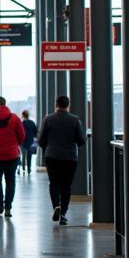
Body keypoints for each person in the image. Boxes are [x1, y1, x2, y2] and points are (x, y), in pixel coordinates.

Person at [38, 96, 87, 225]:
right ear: (68, 105)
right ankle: (63, 213)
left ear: (56, 105)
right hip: (70, 157)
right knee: (66, 185)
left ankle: (56, 206)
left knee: (54, 183)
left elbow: (41, 139)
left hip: (52, 156)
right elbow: (81, 141)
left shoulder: (48, 119)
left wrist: (47, 148)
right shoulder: (75, 120)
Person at [20, 110, 38, 175]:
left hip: (22, 142)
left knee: (23, 155)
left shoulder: (21, 123)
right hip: (30, 141)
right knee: (29, 155)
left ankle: (23, 168)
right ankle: (29, 169)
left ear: (22, 115)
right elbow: (35, 132)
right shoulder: (32, 122)